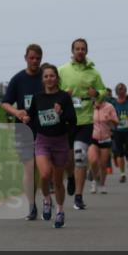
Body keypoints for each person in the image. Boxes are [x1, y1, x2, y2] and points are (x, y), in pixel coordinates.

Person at [58, 38, 107, 211]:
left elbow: (103, 91)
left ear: (86, 51)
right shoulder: (62, 70)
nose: (80, 51)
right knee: (68, 158)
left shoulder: (94, 73)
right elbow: (52, 91)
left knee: (80, 156)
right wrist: (63, 94)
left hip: (85, 119)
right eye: (77, 49)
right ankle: (70, 177)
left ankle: (78, 196)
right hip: (67, 120)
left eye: (83, 49)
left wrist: (97, 94)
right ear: (72, 51)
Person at [26, 63, 77, 228]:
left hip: (60, 141)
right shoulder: (37, 97)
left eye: (52, 76)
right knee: (45, 174)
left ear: (57, 78)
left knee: (58, 181)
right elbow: (31, 118)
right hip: (42, 140)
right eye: (46, 76)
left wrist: (61, 113)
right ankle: (47, 199)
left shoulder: (64, 97)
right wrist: (26, 120)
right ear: (42, 79)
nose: (49, 79)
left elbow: (73, 120)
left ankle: (60, 211)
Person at [0, 45, 45, 220]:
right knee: (29, 168)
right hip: (24, 130)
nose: (35, 61)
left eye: (38, 58)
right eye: (32, 58)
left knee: (44, 169)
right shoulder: (18, 79)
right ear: (26, 58)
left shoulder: (46, 77)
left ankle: (47, 199)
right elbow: (5, 103)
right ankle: (31, 206)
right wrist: (17, 112)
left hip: (45, 130)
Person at [109, 83, 128, 183]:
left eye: (123, 90)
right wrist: (113, 121)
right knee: (120, 153)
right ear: (117, 92)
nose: (121, 92)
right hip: (118, 130)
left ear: (125, 91)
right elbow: (110, 114)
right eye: (119, 90)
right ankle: (122, 174)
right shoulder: (113, 103)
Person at [91, 95, 118, 193]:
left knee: (103, 164)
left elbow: (116, 123)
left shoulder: (109, 106)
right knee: (93, 161)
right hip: (93, 137)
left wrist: (110, 119)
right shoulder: (90, 107)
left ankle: (102, 184)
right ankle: (94, 181)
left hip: (105, 138)